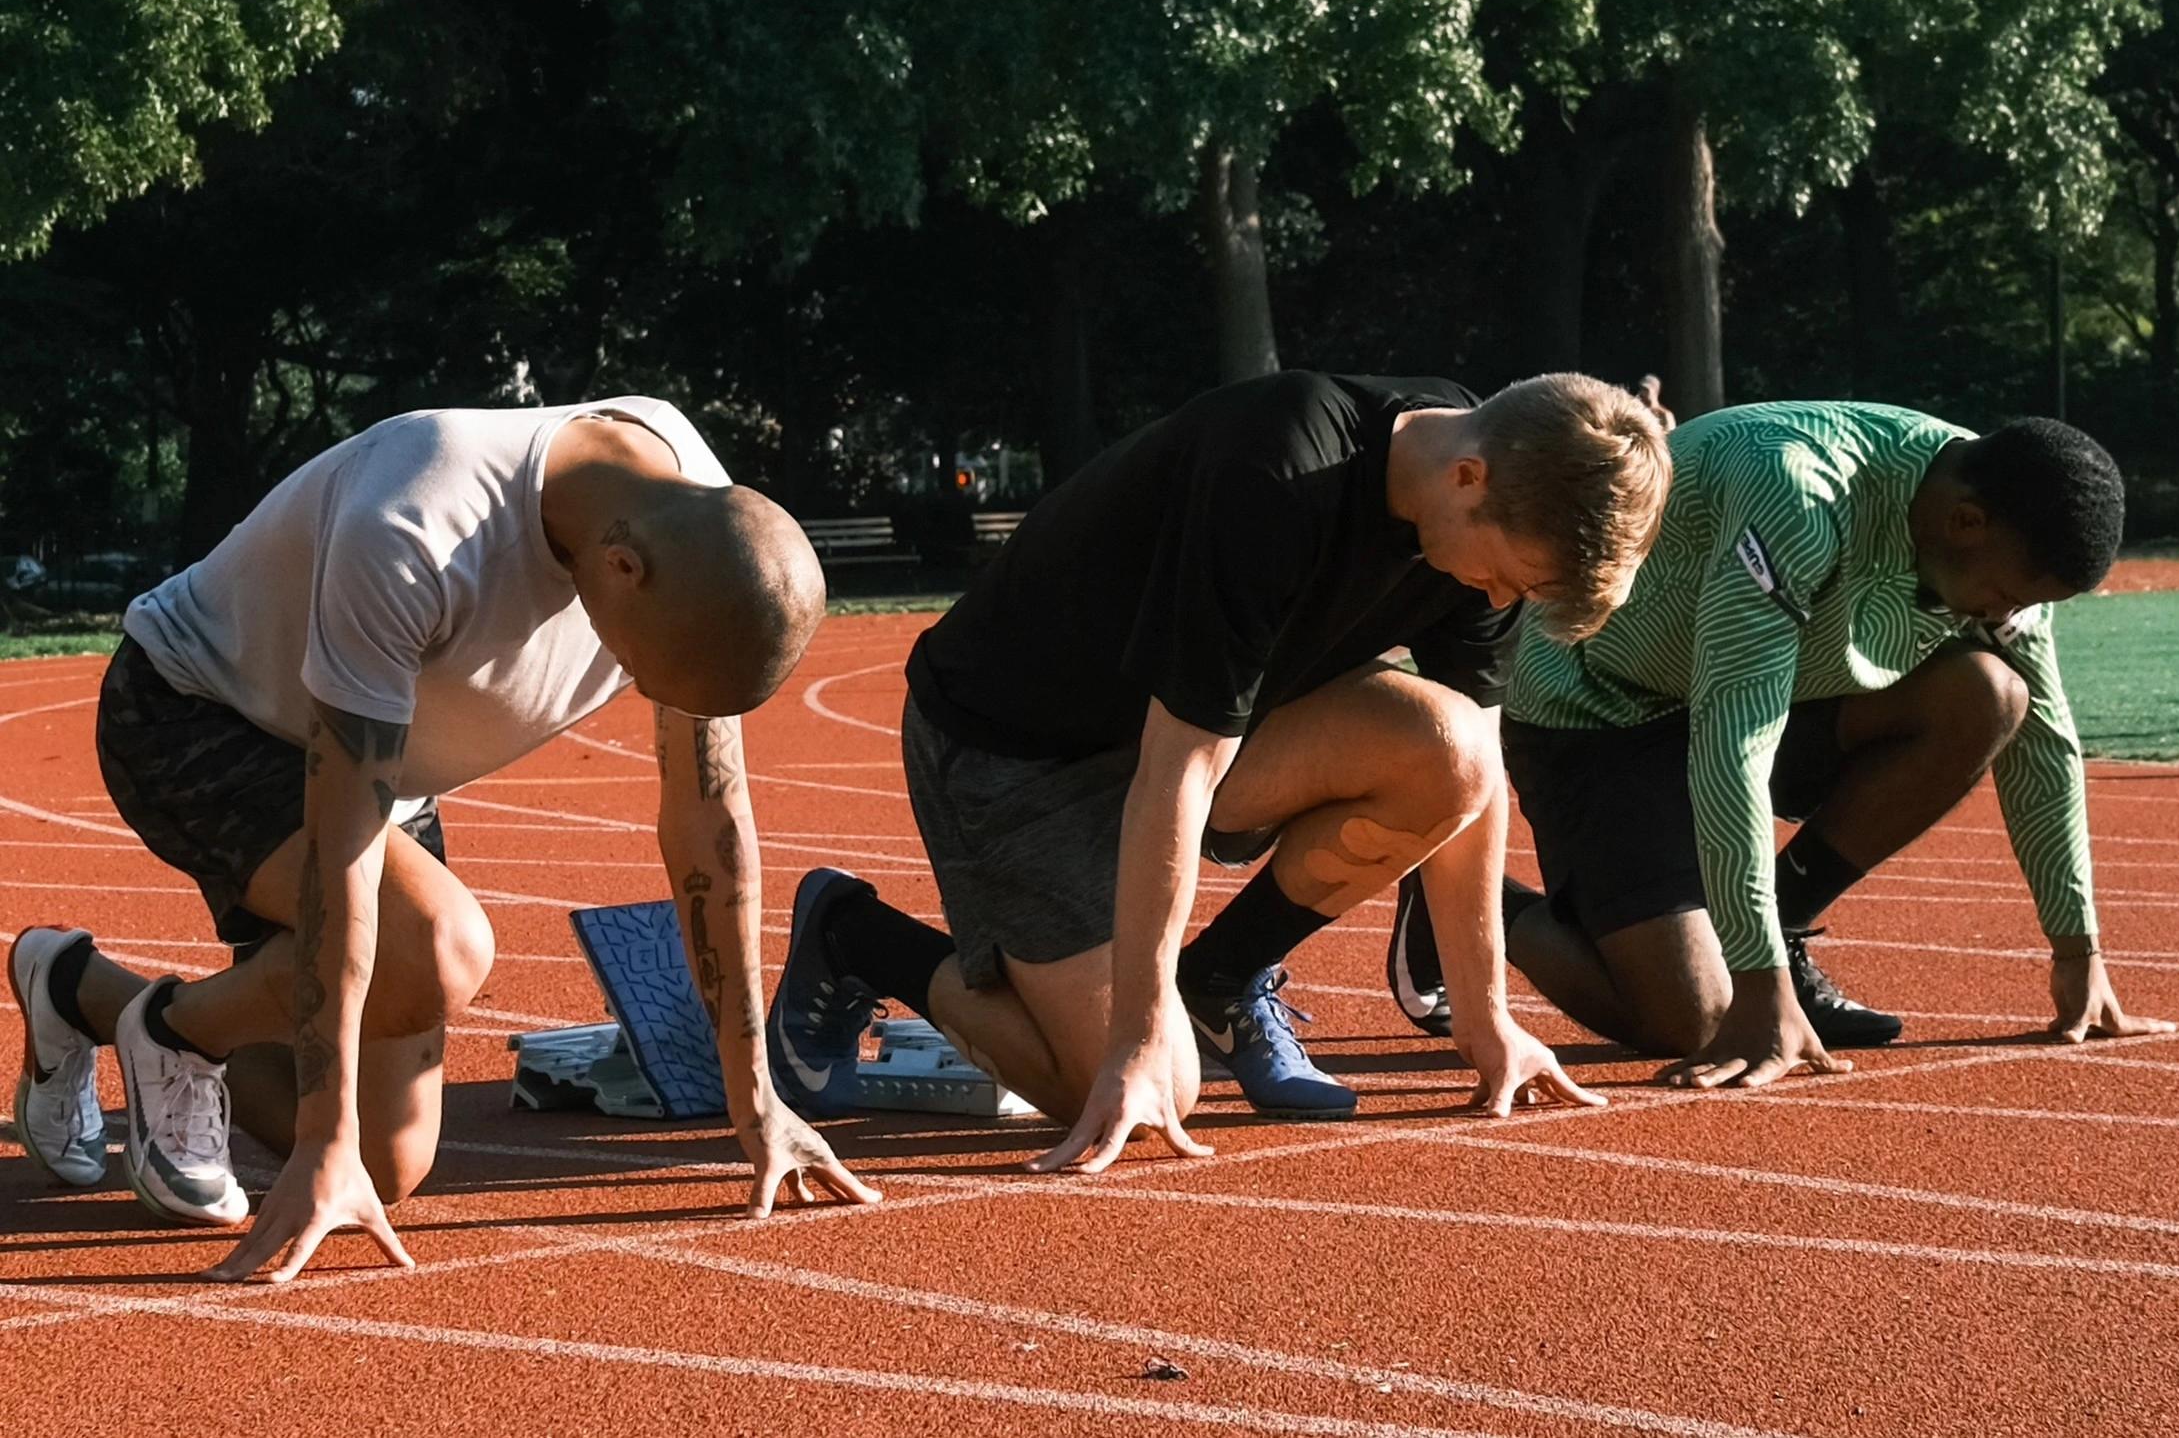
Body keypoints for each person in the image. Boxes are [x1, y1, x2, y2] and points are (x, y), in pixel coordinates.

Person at [7, 397, 873, 1284]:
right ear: (621, 566)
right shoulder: (416, 520)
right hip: (197, 712)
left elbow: (709, 822)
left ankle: (88, 993)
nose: (637, 689)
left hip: (378, 760)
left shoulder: (691, 514)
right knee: (435, 948)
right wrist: (318, 1137)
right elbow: (343, 846)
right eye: (647, 676)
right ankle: (178, 1036)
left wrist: (756, 1098)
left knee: (386, 1163)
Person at [765, 370, 1670, 1168]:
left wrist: (1487, 1022)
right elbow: (1175, 775)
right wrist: (1131, 1041)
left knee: (1453, 754)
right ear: (1466, 477)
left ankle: (1217, 980)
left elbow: (1473, 779)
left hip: (1195, 733)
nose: (1501, 599)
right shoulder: (1273, 475)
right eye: (1507, 577)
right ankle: (853, 933)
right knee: (1135, 1087)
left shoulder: (1500, 484)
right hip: (1015, 747)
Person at [1387, 402, 2173, 1086]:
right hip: (1598, 711)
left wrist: (2077, 947)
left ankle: (1780, 930)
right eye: (2004, 596)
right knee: (1692, 1018)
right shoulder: (1795, 494)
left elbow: (2044, 737)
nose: (2007, 614)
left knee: (1991, 692)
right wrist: (1755, 985)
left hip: (1771, 684)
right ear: (1962, 522)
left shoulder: (2005, 505)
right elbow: (1734, 738)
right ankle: (1460, 889)